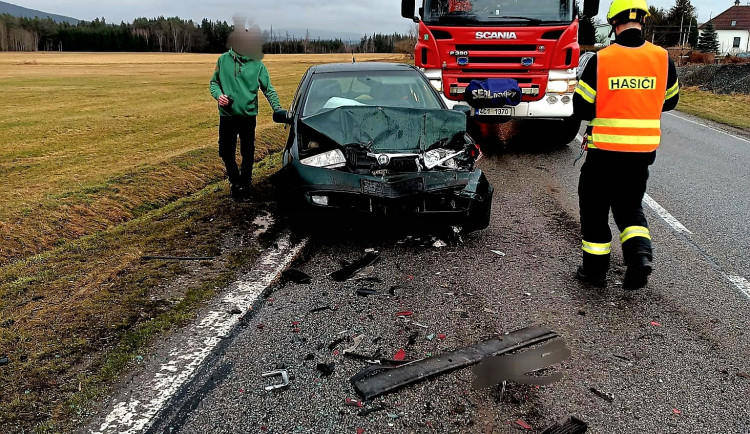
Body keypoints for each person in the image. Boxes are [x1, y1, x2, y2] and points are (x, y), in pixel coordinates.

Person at [572, 0, 680, 289]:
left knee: (594, 211)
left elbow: (581, 107)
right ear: (642, 21)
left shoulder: (602, 59)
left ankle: (594, 273)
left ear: (614, 24)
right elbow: (670, 101)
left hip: (604, 154)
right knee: (630, 208)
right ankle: (640, 257)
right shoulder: (662, 58)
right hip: (641, 155)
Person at [209, 24, 285, 200]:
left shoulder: (257, 65)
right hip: (227, 116)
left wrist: (278, 109)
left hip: (248, 116)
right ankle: (235, 182)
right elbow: (214, 83)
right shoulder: (223, 60)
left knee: (247, 153)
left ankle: (245, 184)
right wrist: (219, 95)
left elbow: (269, 89)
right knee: (225, 152)